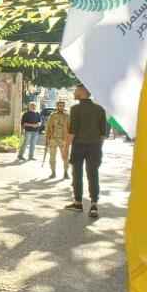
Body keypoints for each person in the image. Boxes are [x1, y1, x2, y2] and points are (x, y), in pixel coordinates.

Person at [64, 84, 107, 217]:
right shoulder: (100, 109)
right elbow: (103, 134)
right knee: (93, 174)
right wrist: (98, 148)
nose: (74, 92)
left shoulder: (75, 109)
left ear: (83, 92)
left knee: (77, 174)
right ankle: (94, 205)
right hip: (95, 146)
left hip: (78, 146)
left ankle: (78, 203)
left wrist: (66, 149)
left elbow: (72, 132)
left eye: (76, 90)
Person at [45, 100, 70, 179]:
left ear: (64, 106)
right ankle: (53, 172)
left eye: (62, 105)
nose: (61, 107)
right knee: (52, 157)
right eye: (59, 105)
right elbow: (48, 127)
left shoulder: (67, 116)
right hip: (53, 138)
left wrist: (69, 139)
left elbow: (70, 128)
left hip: (63, 139)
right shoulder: (52, 115)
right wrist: (47, 138)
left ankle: (66, 172)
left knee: (65, 157)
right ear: (57, 106)